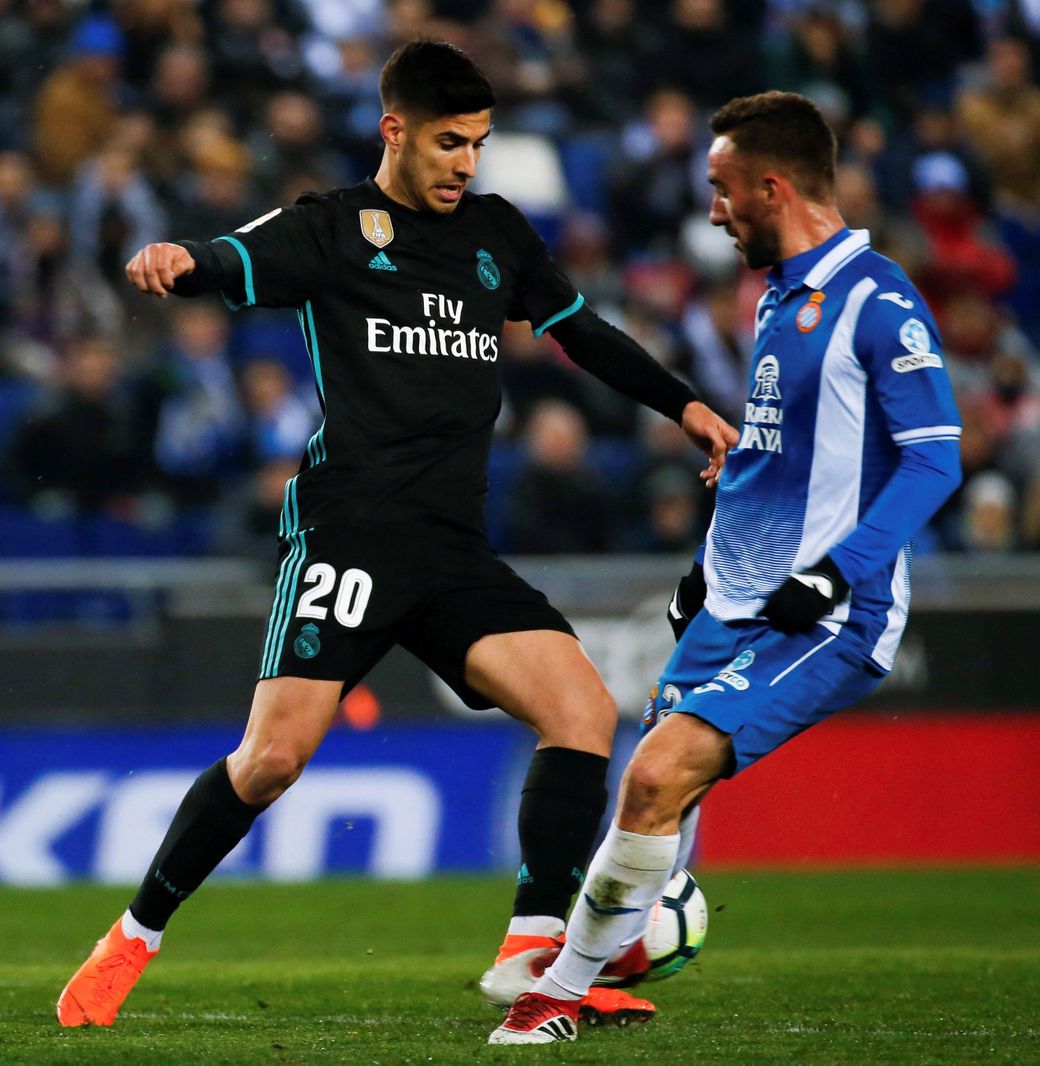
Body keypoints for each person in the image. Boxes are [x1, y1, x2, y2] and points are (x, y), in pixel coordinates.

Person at [56, 40, 737, 1033]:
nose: (466, 163)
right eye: (449, 143)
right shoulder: (332, 228)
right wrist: (180, 262)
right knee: (271, 760)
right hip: (349, 535)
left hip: (451, 547)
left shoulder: (497, 235)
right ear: (394, 130)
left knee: (584, 710)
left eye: (479, 144)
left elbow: (581, 331)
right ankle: (133, 935)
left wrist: (686, 409)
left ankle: (527, 948)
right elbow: (234, 257)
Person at [490, 91, 963, 1044]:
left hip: (830, 611)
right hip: (740, 596)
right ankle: (626, 940)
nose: (712, 210)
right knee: (658, 785)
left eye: (721, 189)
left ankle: (559, 995)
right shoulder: (783, 296)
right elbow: (773, 456)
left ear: (773, 188)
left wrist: (840, 572)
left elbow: (936, 456)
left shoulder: (878, 299)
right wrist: (707, 568)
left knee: (659, 776)